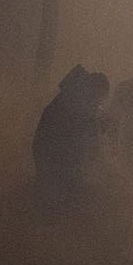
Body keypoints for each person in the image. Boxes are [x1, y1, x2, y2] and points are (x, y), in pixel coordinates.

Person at [33, 64, 112, 210]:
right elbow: (92, 146)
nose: (100, 102)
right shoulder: (81, 107)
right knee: (64, 201)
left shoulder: (72, 95)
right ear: (95, 91)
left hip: (47, 150)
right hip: (56, 156)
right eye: (100, 97)